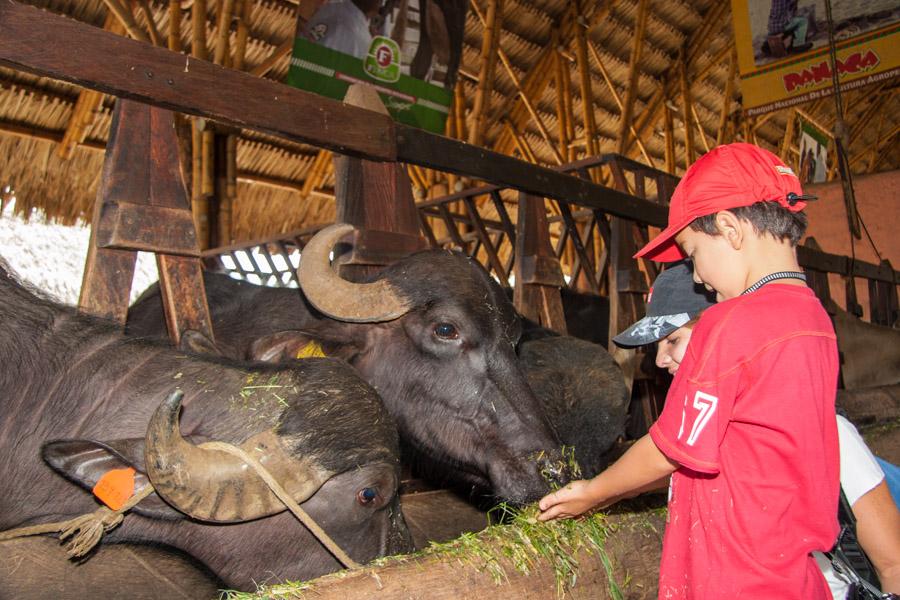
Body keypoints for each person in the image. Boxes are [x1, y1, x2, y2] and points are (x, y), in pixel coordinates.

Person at [539, 143, 841, 598]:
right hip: (793, 577)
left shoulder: (733, 321)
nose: (697, 277)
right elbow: (718, 448)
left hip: (735, 579)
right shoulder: (815, 321)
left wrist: (595, 492)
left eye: (693, 253)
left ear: (729, 229)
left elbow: (671, 450)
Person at [615, 262, 900, 599]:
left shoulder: (827, 433)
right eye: (655, 347)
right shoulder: (696, 441)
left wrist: (592, 493)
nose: (660, 360)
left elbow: (893, 563)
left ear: (721, 332)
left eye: (673, 339)